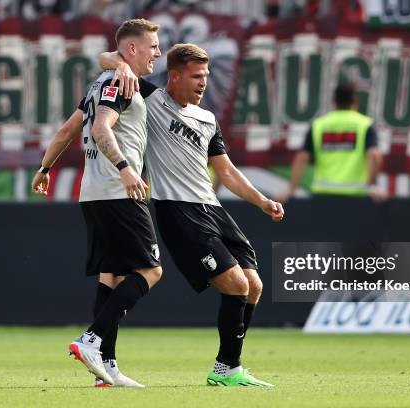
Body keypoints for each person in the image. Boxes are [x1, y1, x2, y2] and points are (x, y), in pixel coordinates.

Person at [99, 43, 284, 387]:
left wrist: (262, 201)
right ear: (175, 75)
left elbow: (226, 172)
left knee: (254, 285)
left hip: (212, 208)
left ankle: (228, 365)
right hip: (177, 209)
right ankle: (227, 370)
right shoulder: (151, 100)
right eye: (197, 76)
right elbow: (106, 58)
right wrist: (122, 67)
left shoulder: (208, 119)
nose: (204, 83)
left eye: (207, 76)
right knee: (236, 284)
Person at [31, 18, 162, 388]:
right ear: (133, 49)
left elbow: (66, 129)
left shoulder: (106, 80)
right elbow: (100, 127)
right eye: (153, 46)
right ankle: (92, 339)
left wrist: (44, 167)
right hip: (119, 191)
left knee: (112, 274)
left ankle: (107, 369)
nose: (158, 52)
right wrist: (125, 168)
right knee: (151, 271)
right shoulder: (120, 84)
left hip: (93, 193)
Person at [277, 82, 386, 203]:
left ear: (334, 101)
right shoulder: (365, 125)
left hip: (323, 195)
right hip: (356, 196)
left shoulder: (319, 125)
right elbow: (374, 155)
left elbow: (302, 157)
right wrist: (372, 186)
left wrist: (291, 189)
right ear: (355, 101)